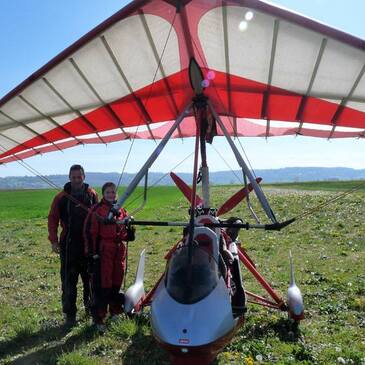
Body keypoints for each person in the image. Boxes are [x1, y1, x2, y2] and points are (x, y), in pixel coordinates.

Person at [48, 164, 98, 326]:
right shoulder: (61, 197)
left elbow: (99, 216)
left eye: (79, 176)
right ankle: (70, 314)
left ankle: (90, 310)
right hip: (69, 244)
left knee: (90, 280)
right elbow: (52, 218)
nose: (77, 179)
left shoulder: (92, 194)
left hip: (88, 244)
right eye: (74, 177)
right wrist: (54, 240)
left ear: (84, 177)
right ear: (69, 177)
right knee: (69, 281)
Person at [84, 182, 135, 332]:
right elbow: (90, 232)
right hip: (103, 251)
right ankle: (99, 319)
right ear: (103, 194)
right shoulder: (97, 210)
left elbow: (125, 233)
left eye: (113, 193)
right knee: (102, 284)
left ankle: (115, 312)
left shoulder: (121, 211)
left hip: (118, 250)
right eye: (108, 193)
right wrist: (92, 254)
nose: (111, 195)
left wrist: (130, 232)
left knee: (116, 281)